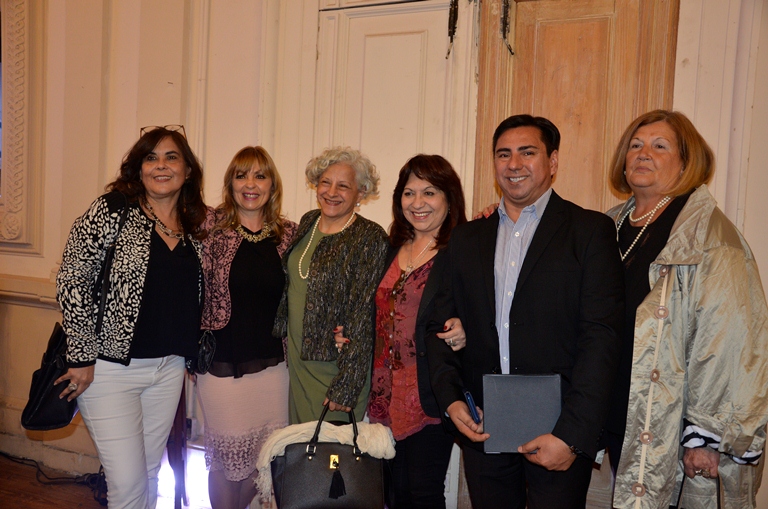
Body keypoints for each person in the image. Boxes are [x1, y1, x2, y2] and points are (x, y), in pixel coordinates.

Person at [425, 114, 625, 509]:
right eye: (503, 154)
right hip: (484, 428)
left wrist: (572, 436)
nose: (513, 164)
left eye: (527, 152)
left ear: (553, 161)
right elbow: (439, 327)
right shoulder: (467, 238)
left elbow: (602, 340)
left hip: (558, 430)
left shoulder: (590, 231)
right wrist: (452, 402)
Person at [605, 110, 768, 509]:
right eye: (636, 145)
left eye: (660, 146)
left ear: (686, 162)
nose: (643, 153)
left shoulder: (712, 237)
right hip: (620, 414)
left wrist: (707, 435)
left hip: (675, 429)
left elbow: (731, 343)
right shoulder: (607, 226)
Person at [55, 125, 207, 509]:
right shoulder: (113, 210)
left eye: (171, 157)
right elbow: (73, 278)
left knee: (150, 473)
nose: (161, 166)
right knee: (127, 484)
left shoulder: (193, 226)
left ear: (188, 170)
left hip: (169, 368)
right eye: (151, 158)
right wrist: (81, 356)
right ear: (138, 168)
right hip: (109, 371)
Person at [335, 154, 467, 508]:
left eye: (429, 192)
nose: (418, 203)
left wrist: (464, 328)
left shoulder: (461, 251)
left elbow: (482, 308)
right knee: (389, 493)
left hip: (429, 394)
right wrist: (350, 334)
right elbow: (378, 311)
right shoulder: (391, 249)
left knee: (422, 494)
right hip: (383, 395)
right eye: (409, 193)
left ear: (449, 198)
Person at [196, 146, 298, 509]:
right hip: (222, 367)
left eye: (260, 175)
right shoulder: (209, 229)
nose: (250, 184)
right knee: (227, 464)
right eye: (241, 176)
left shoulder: (289, 235)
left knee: (262, 459)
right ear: (230, 184)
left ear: (272, 184)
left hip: (275, 368)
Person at [272, 146, 389, 424]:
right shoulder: (308, 221)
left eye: (343, 186)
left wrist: (348, 383)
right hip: (299, 364)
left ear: (361, 192)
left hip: (334, 369)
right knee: (300, 445)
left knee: (331, 448)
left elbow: (363, 315)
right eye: (325, 182)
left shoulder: (369, 237)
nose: (331, 192)